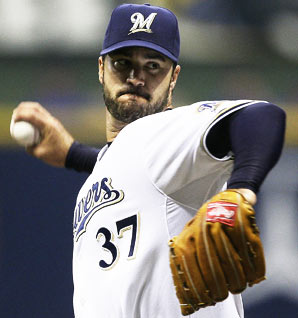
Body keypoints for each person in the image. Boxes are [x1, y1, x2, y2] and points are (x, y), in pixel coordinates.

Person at [12, 3, 286, 318]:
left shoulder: (161, 132)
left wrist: (241, 191)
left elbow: (260, 116)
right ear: (101, 69)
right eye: (122, 62)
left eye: (153, 65)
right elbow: (133, 171)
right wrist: (74, 155)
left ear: (174, 77)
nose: (136, 77)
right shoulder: (132, 157)